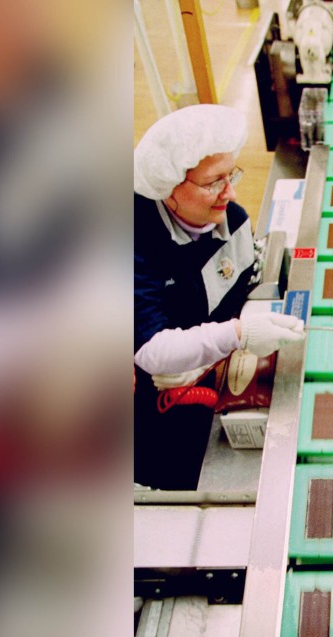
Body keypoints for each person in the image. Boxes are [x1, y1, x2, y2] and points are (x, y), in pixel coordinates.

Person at [134, 104, 305, 489]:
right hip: (153, 407)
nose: (229, 192)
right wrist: (238, 335)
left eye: (232, 175)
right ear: (169, 187)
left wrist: (253, 324)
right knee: (175, 476)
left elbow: (242, 282)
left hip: (212, 376)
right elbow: (149, 350)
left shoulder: (232, 219)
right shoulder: (133, 245)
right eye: (214, 182)